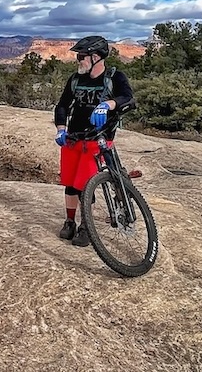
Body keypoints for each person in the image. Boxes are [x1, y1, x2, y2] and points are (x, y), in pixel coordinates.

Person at [52, 35, 134, 246]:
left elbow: (128, 97)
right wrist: (61, 129)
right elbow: (62, 105)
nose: (78, 60)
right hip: (73, 138)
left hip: (98, 139)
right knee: (70, 183)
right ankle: (70, 221)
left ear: (96, 57)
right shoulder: (76, 79)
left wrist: (108, 105)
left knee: (85, 184)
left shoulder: (115, 77)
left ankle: (86, 226)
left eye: (82, 56)